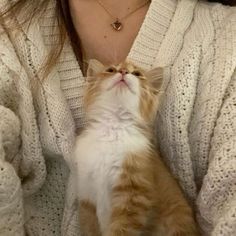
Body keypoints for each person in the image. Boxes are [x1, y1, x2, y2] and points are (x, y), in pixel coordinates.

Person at [0, 0, 235, 235]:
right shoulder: (8, 22)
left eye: (135, 74)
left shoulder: (226, 36)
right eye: (111, 70)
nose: (122, 72)